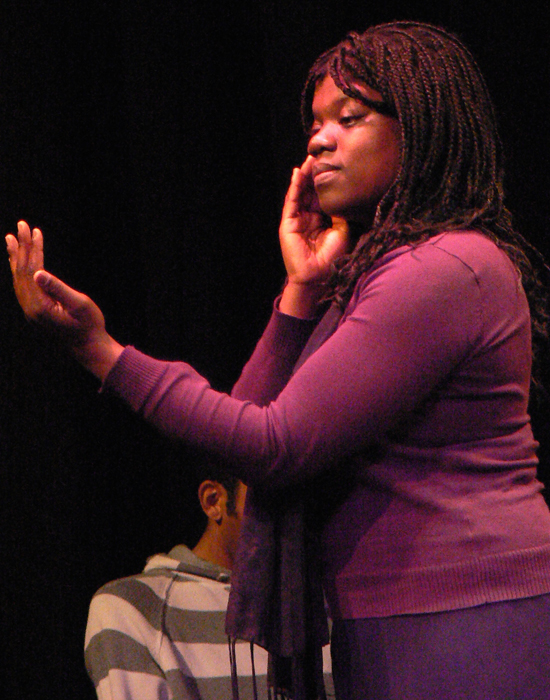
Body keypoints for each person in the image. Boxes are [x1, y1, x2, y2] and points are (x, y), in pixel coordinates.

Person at [7, 20, 550, 700]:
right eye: (315, 122)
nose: (318, 139)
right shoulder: (375, 274)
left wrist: (103, 354)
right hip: (392, 614)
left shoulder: (444, 267)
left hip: (462, 616)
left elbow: (274, 443)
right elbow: (251, 430)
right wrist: (299, 292)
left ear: (420, 128)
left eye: (348, 118)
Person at [84, 470, 271, 700]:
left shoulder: (319, 611)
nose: (291, 520)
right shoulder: (135, 607)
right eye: (270, 499)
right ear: (213, 501)